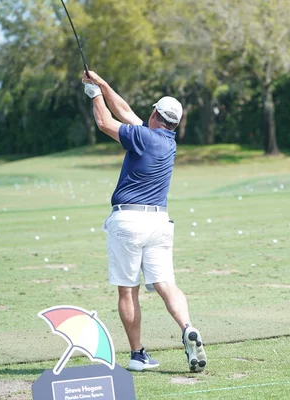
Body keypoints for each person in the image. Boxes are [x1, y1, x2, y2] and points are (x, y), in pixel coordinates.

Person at [82, 71, 207, 372]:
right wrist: (104, 84)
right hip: (159, 223)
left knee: (128, 290)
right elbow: (125, 112)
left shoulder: (141, 136)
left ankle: (137, 354)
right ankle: (187, 326)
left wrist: (92, 94)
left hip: (128, 220)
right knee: (166, 284)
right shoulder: (166, 141)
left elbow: (105, 123)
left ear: (154, 114)